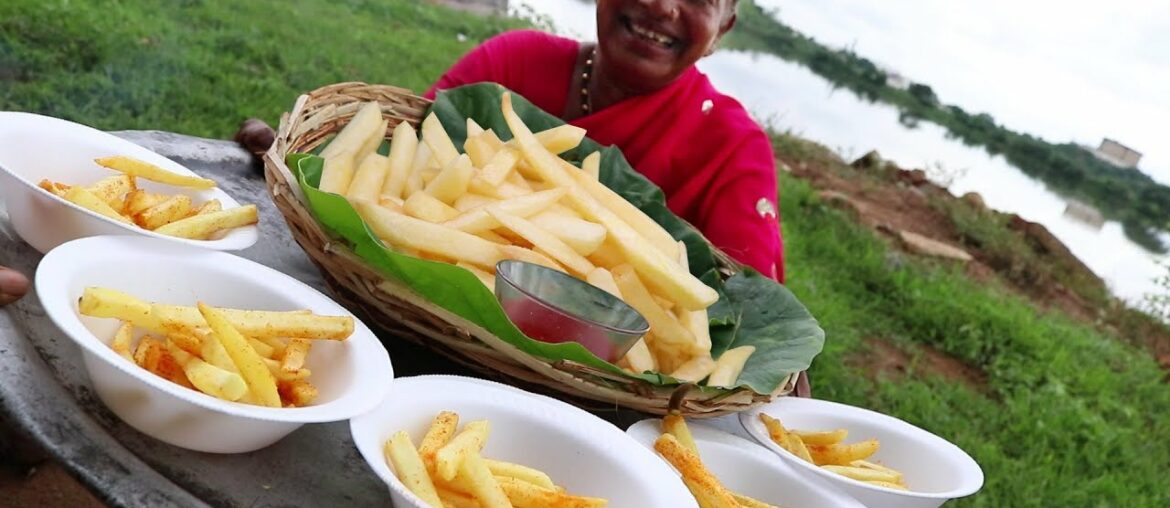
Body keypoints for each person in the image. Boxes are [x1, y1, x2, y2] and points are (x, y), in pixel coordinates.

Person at [425, 0, 785, 282]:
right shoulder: (512, 63)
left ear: (722, 28)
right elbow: (404, 139)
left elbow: (750, 308)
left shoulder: (734, 150)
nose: (661, 6)